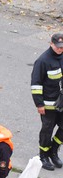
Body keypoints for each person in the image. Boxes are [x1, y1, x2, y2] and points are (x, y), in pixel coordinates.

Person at [31, 33, 63, 170]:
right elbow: (36, 84)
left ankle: (53, 151)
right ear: (51, 44)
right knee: (47, 130)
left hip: (61, 101)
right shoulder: (43, 61)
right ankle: (43, 155)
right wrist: (39, 104)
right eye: (58, 47)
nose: (60, 49)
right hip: (48, 105)